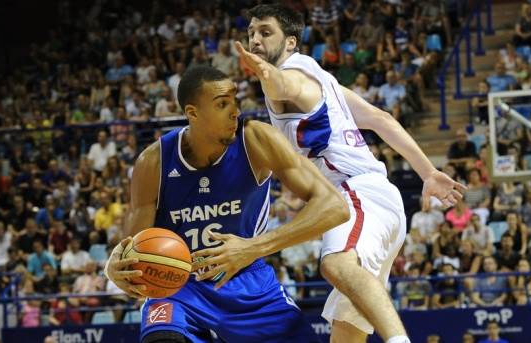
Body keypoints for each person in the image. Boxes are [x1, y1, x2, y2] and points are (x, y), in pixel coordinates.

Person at [194, 4, 465, 343]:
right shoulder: (325, 79)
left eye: (265, 32)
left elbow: (284, 86)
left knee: (335, 264)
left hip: (356, 196)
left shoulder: (289, 75)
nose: (255, 39)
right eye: (251, 33)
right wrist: (428, 173)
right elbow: (381, 119)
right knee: (345, 335)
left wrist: (267, 74)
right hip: (372, 202)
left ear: (291, 42)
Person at [105, 66, 350, 342]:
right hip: (179, 286)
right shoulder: (153, 162)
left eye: (235, 101)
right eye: (222, 104)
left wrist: (253, 248)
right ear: (192, 113)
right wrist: (116, 265)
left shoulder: (257, 140)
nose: (235, 111)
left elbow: (334, 206)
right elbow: (133, 247)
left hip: (249, 281)